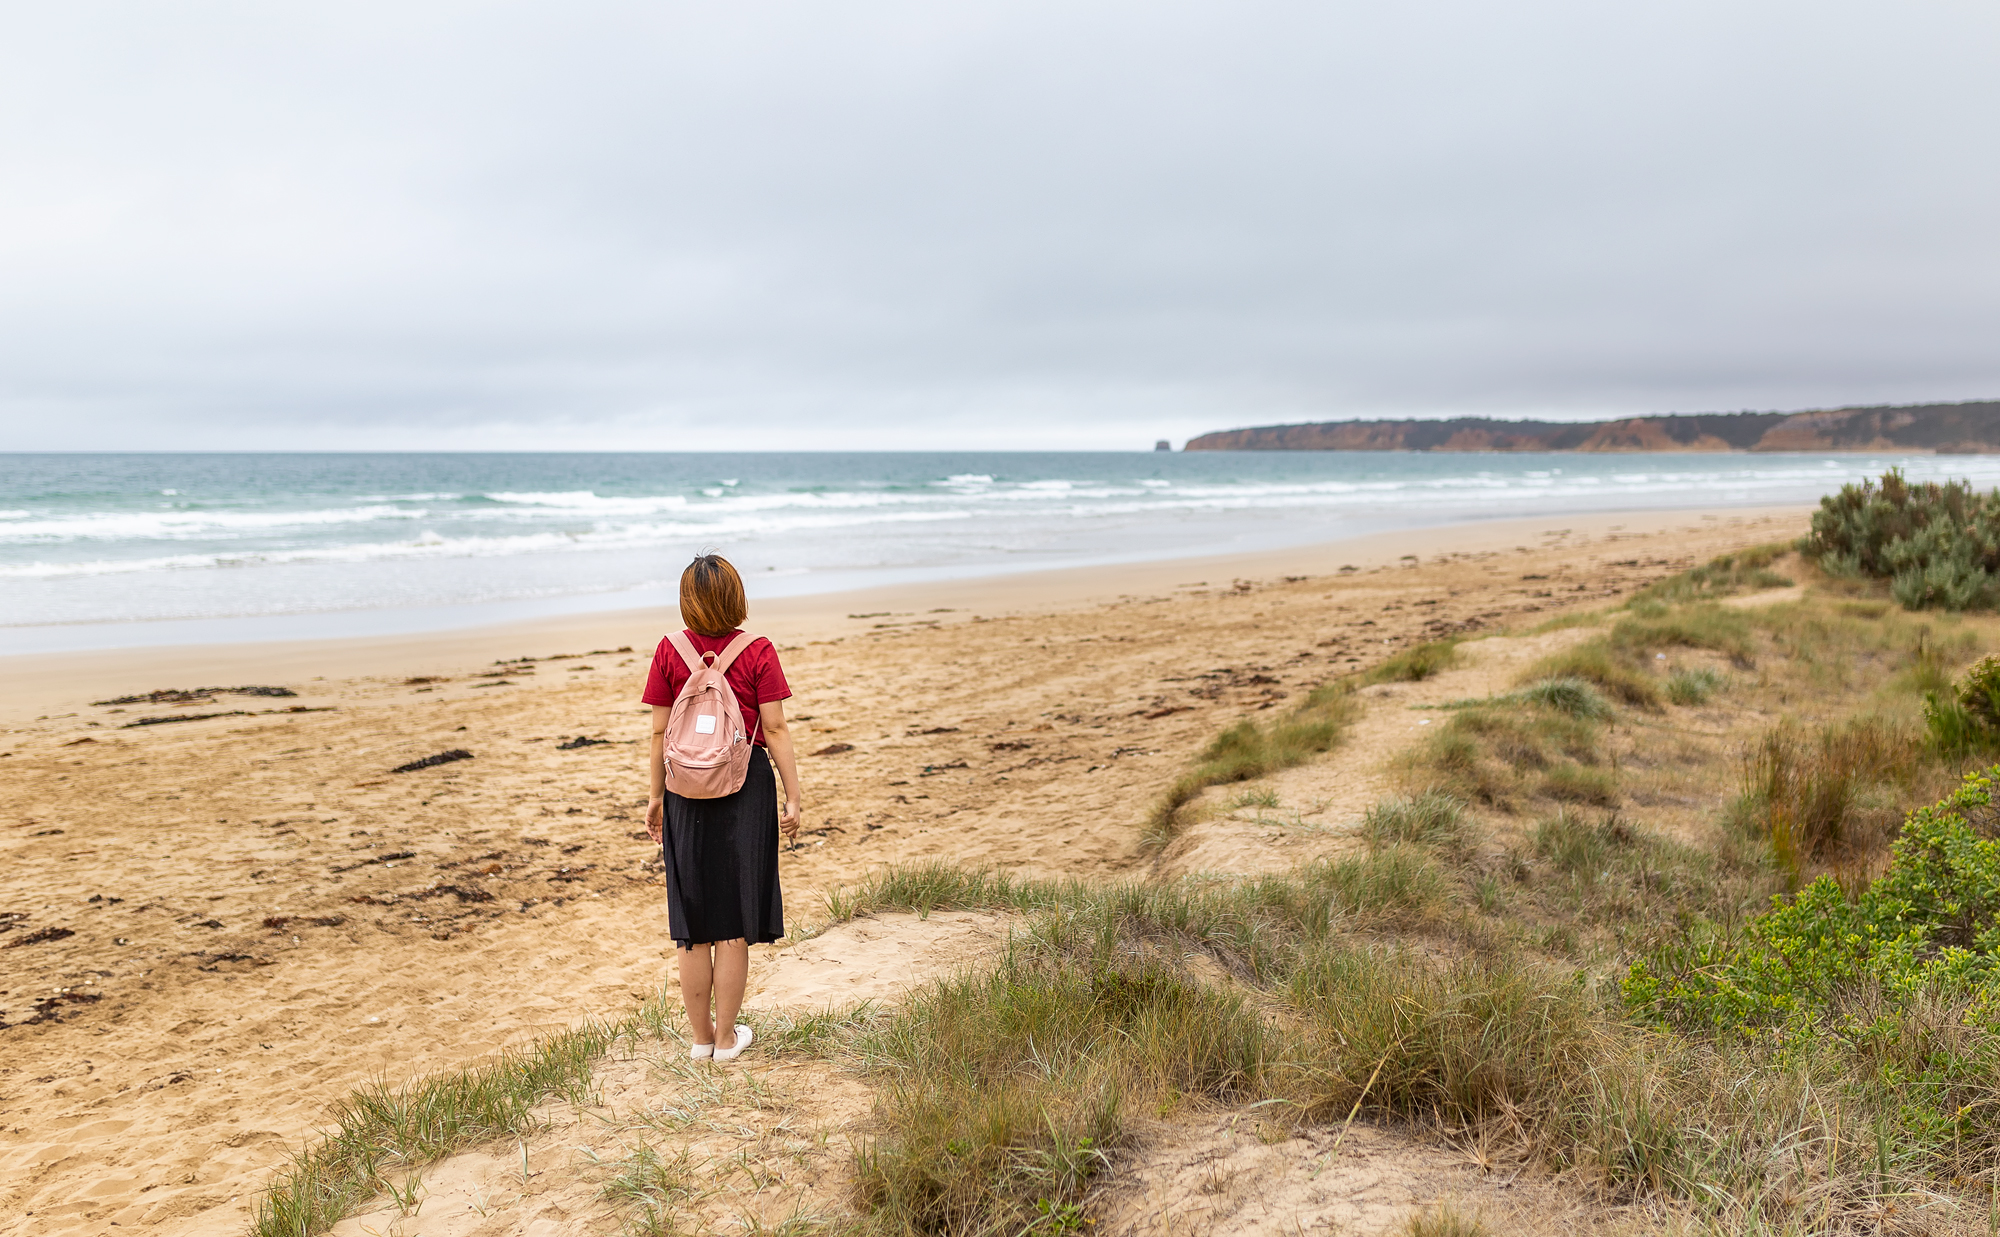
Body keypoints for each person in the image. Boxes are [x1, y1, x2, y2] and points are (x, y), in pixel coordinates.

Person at [642, 554, 802, 1062]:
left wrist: (654, 797)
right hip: (744, 786)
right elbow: (774, 729)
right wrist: (793, 794)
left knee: (693, 924)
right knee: (733, 921)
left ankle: (701, 1040)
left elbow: (657, 732)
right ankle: (728, 1039)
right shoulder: (757, 650)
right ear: (737, 597)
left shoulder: (670, 651)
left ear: (687, 600)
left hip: (684, 790)